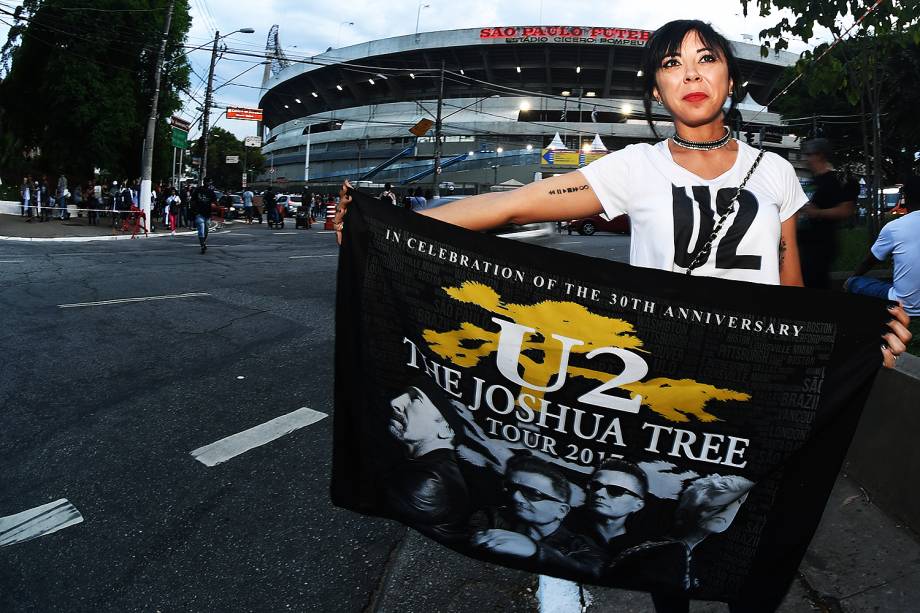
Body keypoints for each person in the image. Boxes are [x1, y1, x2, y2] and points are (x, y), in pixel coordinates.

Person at [337, 19, 910, 369]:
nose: (690, 74)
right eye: (672, 64)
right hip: (658, 372)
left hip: (750, 372)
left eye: (706, 59)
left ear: (731, 81)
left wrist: (853, 345)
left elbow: (793, 296)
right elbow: (512, 204)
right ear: (658, 90)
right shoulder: (635, 166)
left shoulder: (775, 172)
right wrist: (383, 222)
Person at [609, 474, 754, 609]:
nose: (727, 510)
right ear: (684, 512)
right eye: (715, 507)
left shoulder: (675, 552)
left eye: (735, 503)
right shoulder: (673, 553)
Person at [383, 378, 471, 542]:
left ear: (445, 429)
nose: (396, 402)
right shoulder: (436, 468)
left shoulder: (429, 482)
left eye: (415, 398)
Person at [469, 454, 574, 563]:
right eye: (511, 488)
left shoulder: (577, 545)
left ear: (561, 510)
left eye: (532, 493)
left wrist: (536, 550)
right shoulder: (492, 516)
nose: (516, 497)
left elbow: (587, 566)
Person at [846, 176, 920, 329]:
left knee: (854, 283)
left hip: (904, 305)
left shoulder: (894, 227)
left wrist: (853, 277)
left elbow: (870, 261)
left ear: (905, 197)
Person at [797, 138, 857, 289]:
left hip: (821, 244)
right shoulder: (813, 181)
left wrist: (817, 213)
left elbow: (846, 210)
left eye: (809, 154)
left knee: (816, 282)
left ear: (819, 155)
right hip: (805, 243)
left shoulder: (835, 180)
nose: (806, 159)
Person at [191, 179, 217, 254]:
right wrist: (194, 210)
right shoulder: (198, 190)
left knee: (206, 231)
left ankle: (203, 242)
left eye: (209, 182)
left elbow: (215, 201)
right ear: (204, 182)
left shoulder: (211, 192)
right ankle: (202, 245)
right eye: (206, 182)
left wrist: (217, 206)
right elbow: (192, 200)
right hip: (199, 213)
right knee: (201, 230)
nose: (207, 183)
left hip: (207, 214)